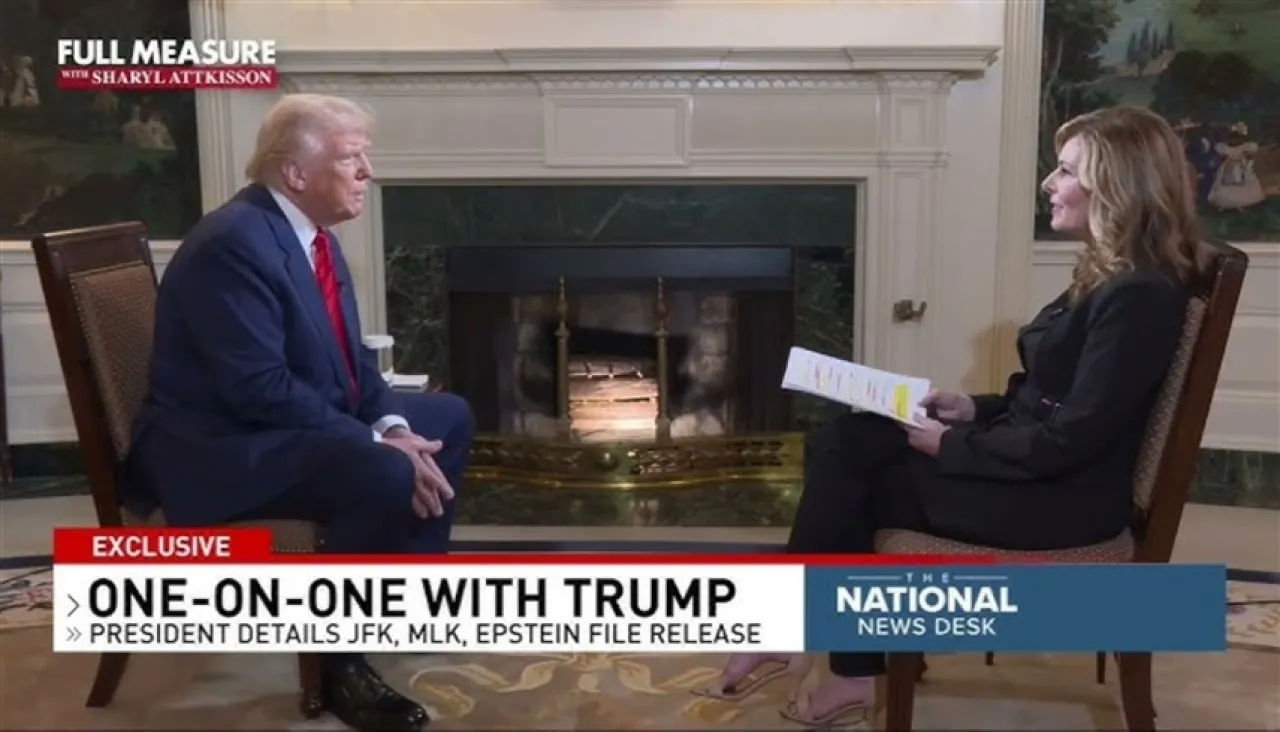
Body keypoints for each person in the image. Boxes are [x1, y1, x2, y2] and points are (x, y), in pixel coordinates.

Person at [696, 106, 1213, 726]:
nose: (1048, 183)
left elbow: (1072, 437)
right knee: (852, 439)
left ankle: (818, 649)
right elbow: (1051, 396)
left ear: (1117, 184)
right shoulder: (1111, 272)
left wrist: (951, 445)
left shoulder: (1139, 296)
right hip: (1040, 469)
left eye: (1066, 170)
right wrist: (971, 408)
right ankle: (833, 661)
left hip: (1063, 502)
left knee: (861, 473)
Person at [127, 93, 474, 732]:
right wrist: (379, 445)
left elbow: (352, 362)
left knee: (445, 418)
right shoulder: (233, 246)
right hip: (219, 449)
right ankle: (338, 666)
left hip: (276, 423)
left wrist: (393, 426)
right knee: (381, 469)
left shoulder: (312, 234)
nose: (367, 172)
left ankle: (399, 599)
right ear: (295, 173)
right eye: (351, 158)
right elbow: (258, 389)